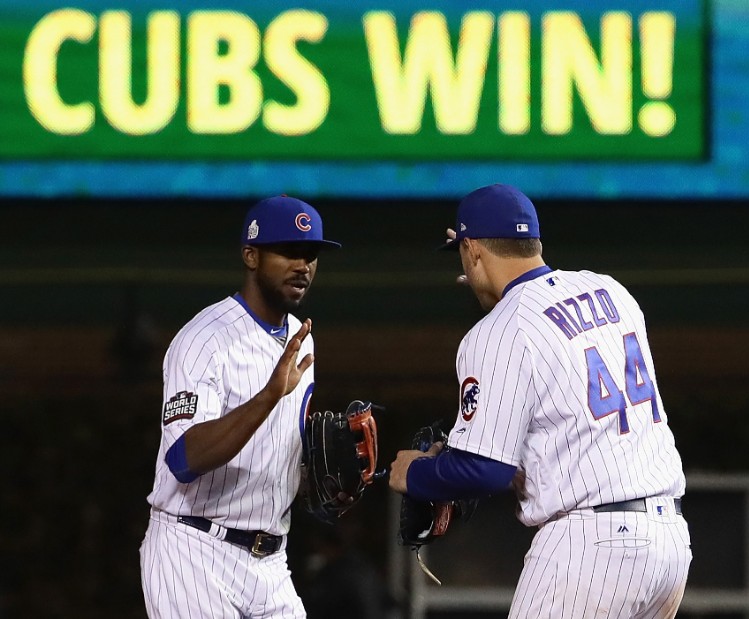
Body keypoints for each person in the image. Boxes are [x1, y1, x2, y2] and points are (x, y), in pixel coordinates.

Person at [389, 183, 692, 618]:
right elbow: (572, 425)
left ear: (472, 251)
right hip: (669, 541)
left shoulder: (498, 330)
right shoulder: (611, 291)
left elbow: (485, 470)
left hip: (593, 548)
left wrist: (417, 474)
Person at [139, 195, 341, 618]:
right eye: (288, 252)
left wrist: (315, 482)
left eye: (311, 254)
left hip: (269, 562)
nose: (303, 265)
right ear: (251, 256)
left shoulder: (301, 338)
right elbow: (185, 457)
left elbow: (271, 454)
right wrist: (268, 396)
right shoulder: (203, 341)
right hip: (194, 552)